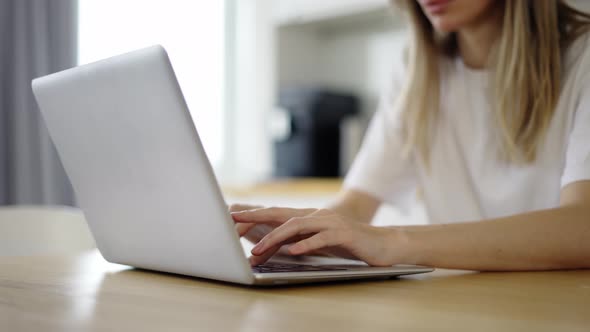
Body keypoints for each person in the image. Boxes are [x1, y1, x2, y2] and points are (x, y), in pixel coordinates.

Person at [231, 0, 590, 271]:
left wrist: (392, 241)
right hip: (461, 300)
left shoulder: (583, 57)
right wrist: (296, 231)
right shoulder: (418, 69)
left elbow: (582, 228)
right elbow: (356, 206)